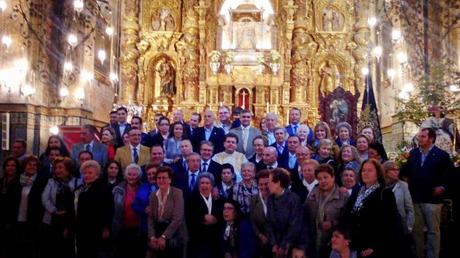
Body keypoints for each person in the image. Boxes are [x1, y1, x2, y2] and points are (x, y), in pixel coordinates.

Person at [400, 127, 453, 258]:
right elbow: (404, 171)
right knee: (416, 231)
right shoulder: (413, 153)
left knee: (432, 232)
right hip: (415, 198)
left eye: (423, 136)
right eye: (419, 136)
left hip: (432, 200)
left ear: (431, 139)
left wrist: (443, 187)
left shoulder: (442, 155)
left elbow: (450, 176)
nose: (419, 138)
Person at [341, 159, 402, 258]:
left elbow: (390, 223)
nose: (366, 173)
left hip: (375, 247)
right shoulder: (357, 192)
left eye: (370, 170)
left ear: (378, 173)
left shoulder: (385, 193)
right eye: (364, 170)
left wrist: (375, 246)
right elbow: (348, 215)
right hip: (356, 244)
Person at [41, 157, 81, 258]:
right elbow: (45, 198)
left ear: (68, 169)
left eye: (60, 167)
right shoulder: (51, 181)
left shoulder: (77, 182)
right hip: (51, 219)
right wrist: (54, 210)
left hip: (70, 221)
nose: (57, 170)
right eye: (55, 168)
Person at [8, 156, 48, 258]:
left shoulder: (41, 181)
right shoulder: (16, 180)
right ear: (24, 166)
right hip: (16, 219)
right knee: (16, 248)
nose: (32, 167)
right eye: (29, 164)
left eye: (35, 165)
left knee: (30, 249)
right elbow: (10, 201)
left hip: (33, 221)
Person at [306, 164, 349, 258]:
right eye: (319, 178)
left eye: (326, 177)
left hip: (332, 244)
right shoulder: (313, 192)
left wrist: (333, 223)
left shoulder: (343, 195)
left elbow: (348, 220)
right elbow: (305, 213)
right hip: (313, 241)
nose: (323, 181)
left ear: (333, 177)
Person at [74, 160, 114, 258]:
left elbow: (109, 210)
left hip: (96, 231)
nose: (87, 175)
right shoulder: (80, 188)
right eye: (85, 173)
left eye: (90, 173)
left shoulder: (104, 188)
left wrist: (106, 228)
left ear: (97, 174)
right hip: (80, 230)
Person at [148, 166, 186, 258]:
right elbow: (151, 218)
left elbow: (178, 218)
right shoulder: (153, 195)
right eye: (159, 178)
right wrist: (152, 237)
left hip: (174, 233)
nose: (161, 180)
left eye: (164, 177)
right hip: (157, 231)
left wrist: (164, 237)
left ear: (170, 180)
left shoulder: (177, 193)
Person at [266, 168, 303, 258]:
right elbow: (269, 223)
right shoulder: (270, 199)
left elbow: (295, 226)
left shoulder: (294, 199)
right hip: (275, 245)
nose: (268, 185)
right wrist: (274, 244)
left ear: (278, 183)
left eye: (270, 181)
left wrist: (284, 246)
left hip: (291, 246)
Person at [383, 161, 415, 258]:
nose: (396, 172)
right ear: (386, 171)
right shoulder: (380, 186)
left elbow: (409, 209)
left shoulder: (403, 185)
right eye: (393, 170)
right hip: (383, 227)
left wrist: (409, 227)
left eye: (398, 169)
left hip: (400, 227)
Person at [186, 172, 222, 258]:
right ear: (198, 185)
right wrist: (203, 218)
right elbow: (188, 216)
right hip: (197, 238)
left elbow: (222, 215)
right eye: (202, 183)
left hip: (215, 239)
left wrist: (215, 219)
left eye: (207, 183)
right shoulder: (191, 198)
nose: (204, 185)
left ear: (212, 185)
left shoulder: (218, 199)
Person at [112, 164, 144, 258]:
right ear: (125, 176)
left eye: (134, 175)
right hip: (122, 229)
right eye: (129, 174)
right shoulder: (117, 189)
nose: (131, 177)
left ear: (138, 176)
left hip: (139, 230)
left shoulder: (145, 189)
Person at [232, 162, 258, 258]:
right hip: (244, 218)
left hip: (259, 218)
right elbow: (235, 204)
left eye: (249, 171)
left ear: (254, 173)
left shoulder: (259, 185)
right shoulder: (236, 186)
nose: (246, 173)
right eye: (244, 171)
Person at [0, 157, 20, 258]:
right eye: (8, 165)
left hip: (14, 220)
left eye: (13, 165)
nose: (10, 168)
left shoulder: (20, 182)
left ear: (17, 167)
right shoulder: (1, 181)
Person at [132, 164, 158, 241]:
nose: (151, 176)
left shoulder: (166, 187)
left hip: (162, 228)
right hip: (145, 227)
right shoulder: (143, 187)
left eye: (154, 173)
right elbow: (134, 205)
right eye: (149, 174)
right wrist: (144, 209)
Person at [250, 170, 271, 258]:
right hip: (261, 241)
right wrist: (260, 235)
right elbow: (252, 221)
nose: (263, 187)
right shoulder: (254, 200)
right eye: (261, 184)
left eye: (266, 184)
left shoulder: (278, 198)